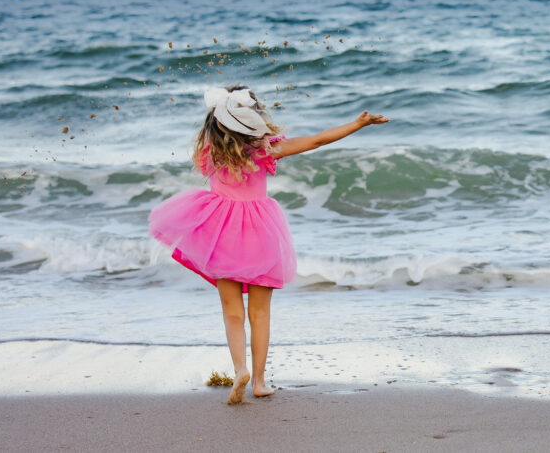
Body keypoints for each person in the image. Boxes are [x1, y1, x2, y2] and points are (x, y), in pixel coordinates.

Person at [149, 84, 389, 404]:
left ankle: (240, 371)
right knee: (260, 313)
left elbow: (211, 146)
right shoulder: (265, 150)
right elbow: (316, 141)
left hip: (221, 233)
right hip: (260, 233)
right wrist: (356, 125)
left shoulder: (211, 152)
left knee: (231, 311)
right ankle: (259, 381)